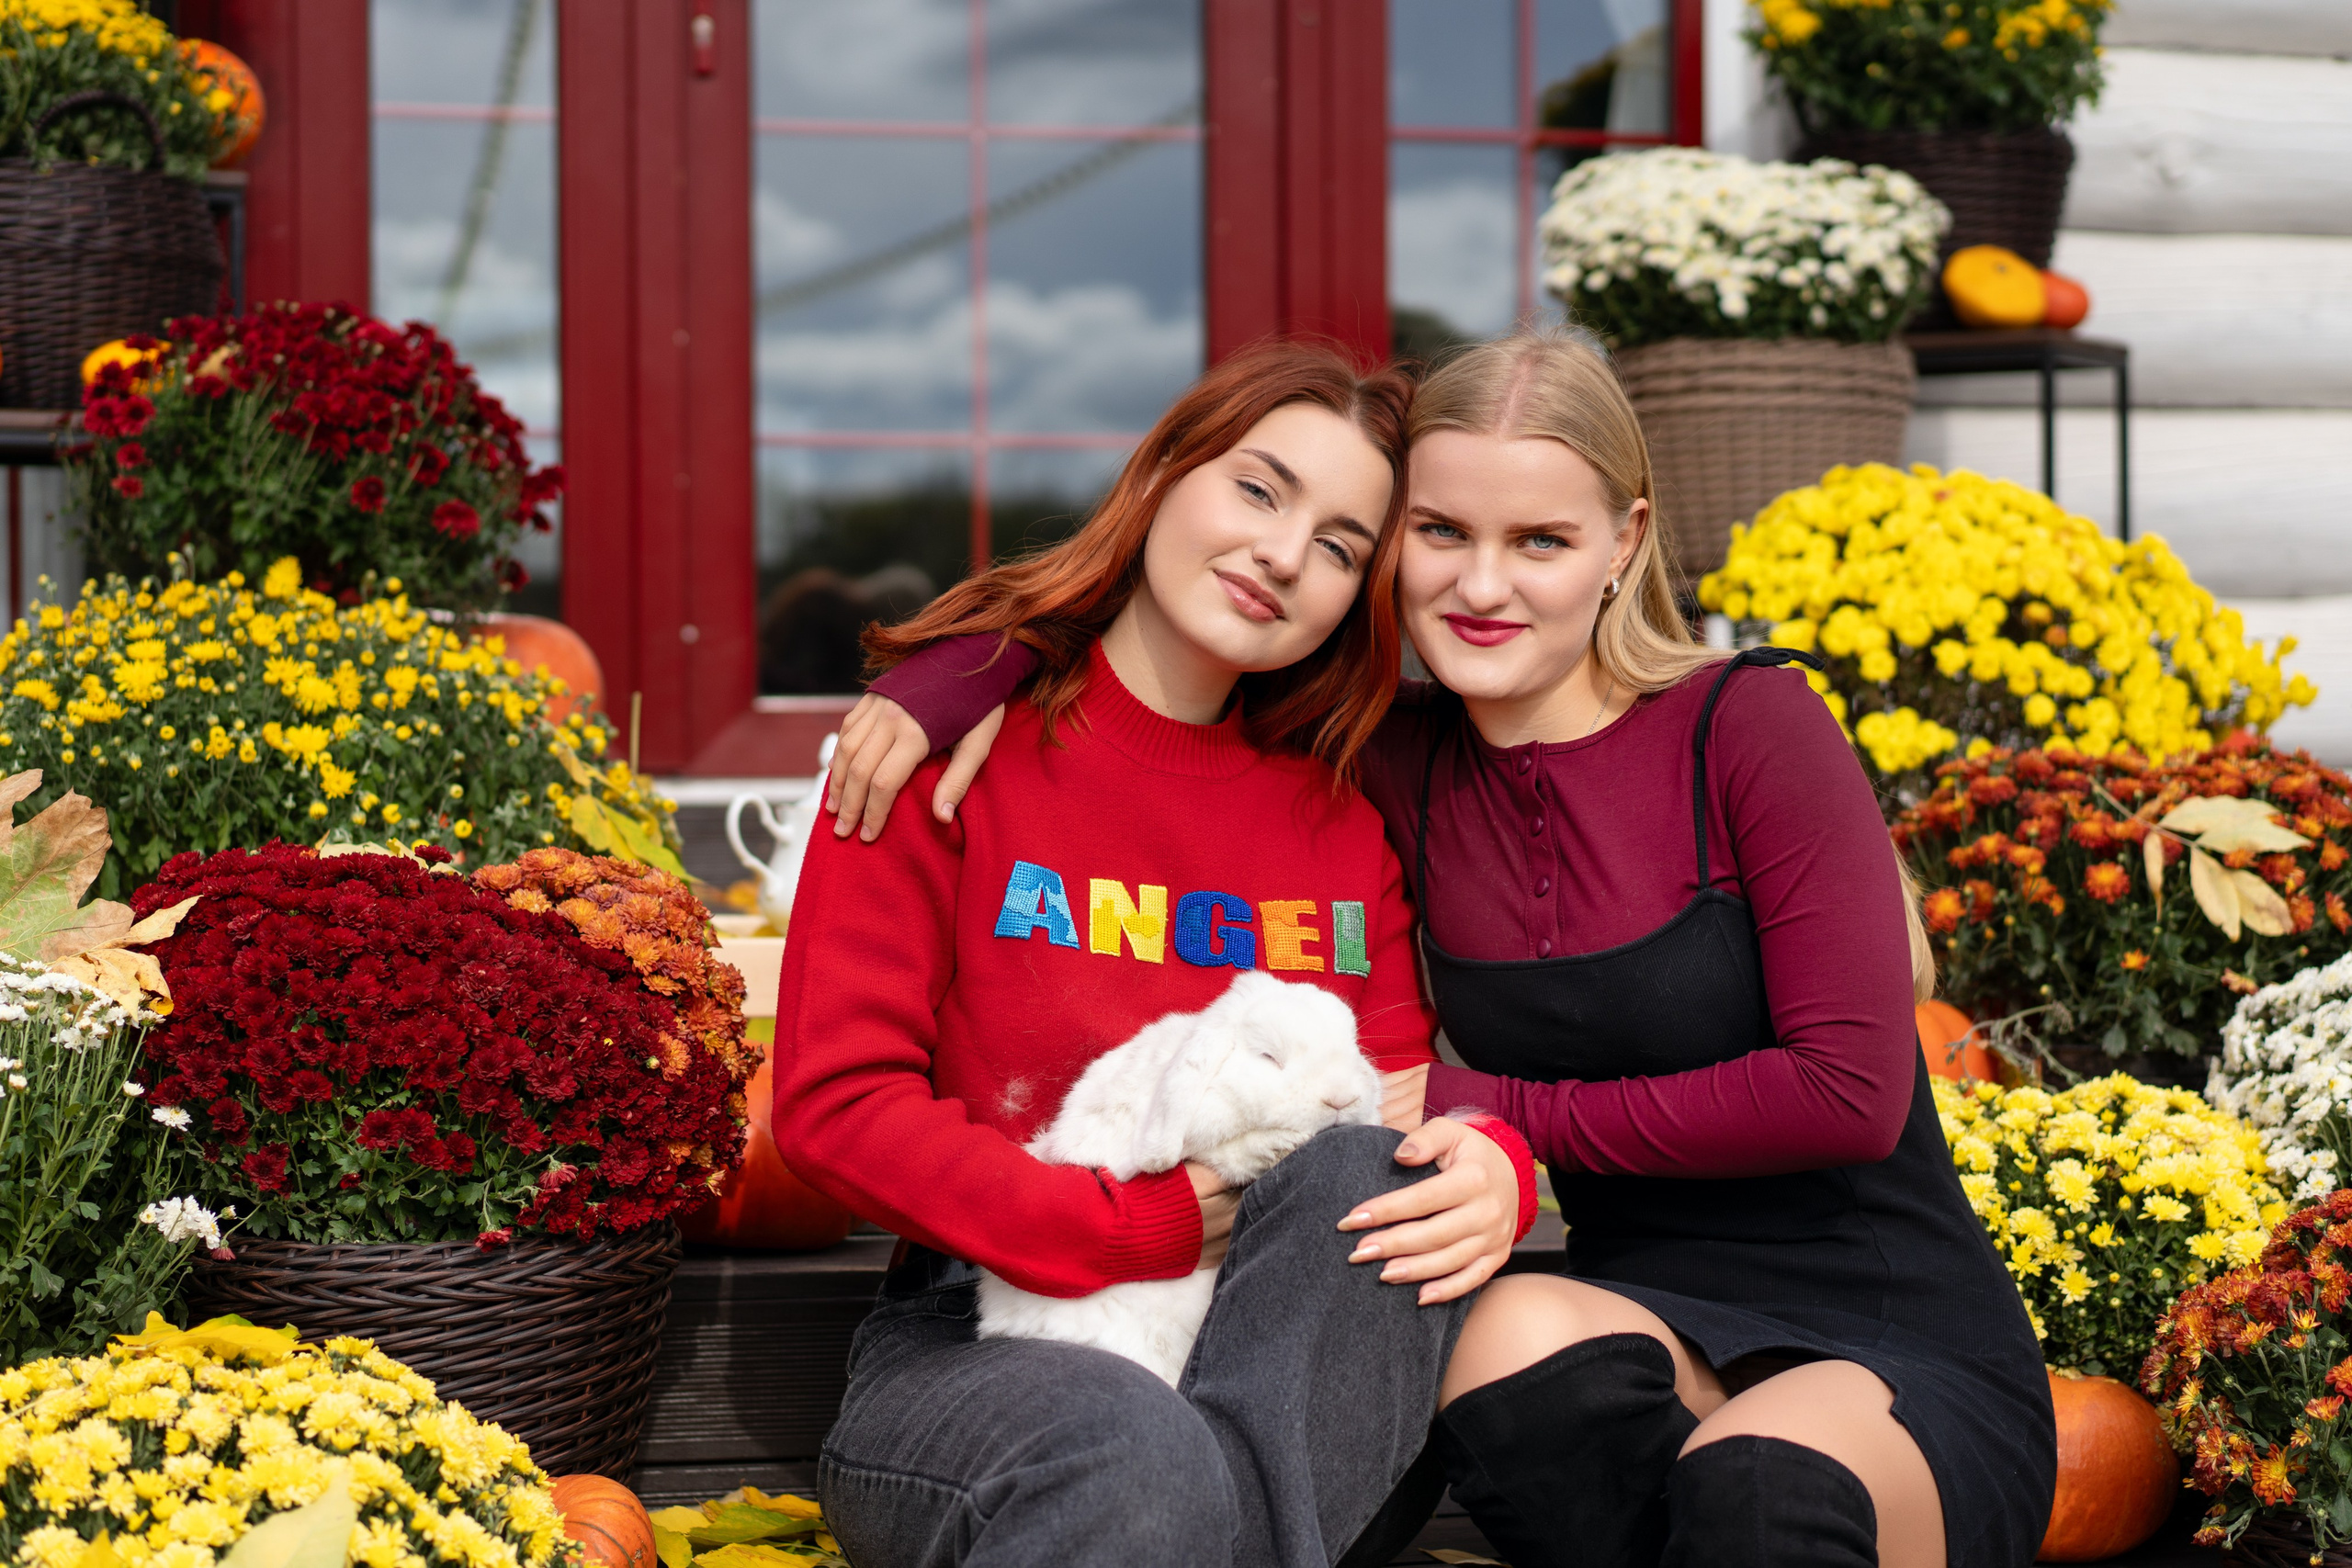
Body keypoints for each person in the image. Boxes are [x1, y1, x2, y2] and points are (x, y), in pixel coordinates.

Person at [832, 329, 2056, 1568]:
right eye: (1440, 535)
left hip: (1866, 1317)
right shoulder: (1386, 762)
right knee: (1452, 1379)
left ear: (1624, 544)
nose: (1482, 587)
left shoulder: (1722, 729)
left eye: (1540, 541)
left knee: (1729, 1480)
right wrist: (958, 674)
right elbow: (1162, 672)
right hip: (1039, 1306)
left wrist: (1494, 1138)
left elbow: (1840, 1091)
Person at [771, 340, 1533, 1568]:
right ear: (1168, 475)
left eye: (1341, 547)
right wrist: (1133, 1227)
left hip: (1303, 1369)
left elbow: (1396, 1107)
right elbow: (833, 1107)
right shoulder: (953, 756)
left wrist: (1488, 1157)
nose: (1286, 555)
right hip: (993, 1346)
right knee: (1135, 1454)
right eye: (1259, 489)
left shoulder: (1341, 826)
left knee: (1361, 1178)